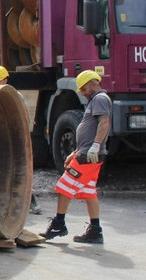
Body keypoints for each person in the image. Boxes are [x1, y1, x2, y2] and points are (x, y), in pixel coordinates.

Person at [41, 69, 111, 244]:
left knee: (64, 187)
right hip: (86, 153)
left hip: (88, 156)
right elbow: (90, 129)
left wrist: (95, 146)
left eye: (84, 89)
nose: (83, 93)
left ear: (93, 84)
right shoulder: (95, 100)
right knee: (89, 191)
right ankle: (95, 231)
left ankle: (58, 224)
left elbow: (104, 123)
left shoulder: (100, 99)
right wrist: (75, 152)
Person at [0, 66, 42, 215]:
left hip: (14, 136)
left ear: (6, 80)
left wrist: (24, 136)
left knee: (20, 170)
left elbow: (24, 116)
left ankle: (31, 202)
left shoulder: (15, 96)